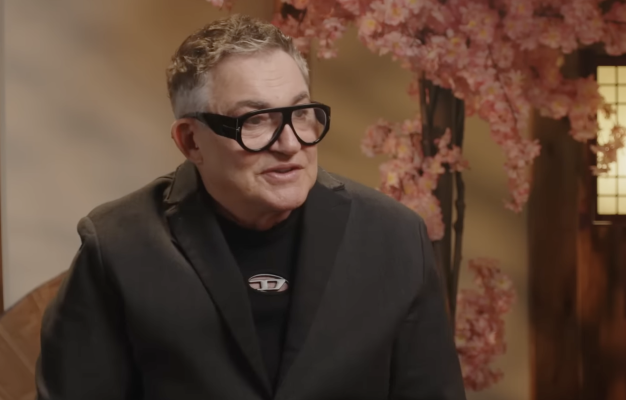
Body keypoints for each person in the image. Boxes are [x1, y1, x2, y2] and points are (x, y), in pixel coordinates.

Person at [36, 13, 466, 400]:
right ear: (190, 141)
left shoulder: (396, 238)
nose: (290, 144)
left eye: (301, 113)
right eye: (255, 120)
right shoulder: (117, 247)